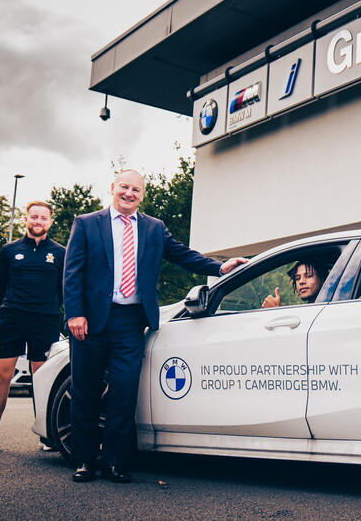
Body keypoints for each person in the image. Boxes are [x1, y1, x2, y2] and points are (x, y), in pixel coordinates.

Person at [64, 169, 246, 483]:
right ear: (113, 188)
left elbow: (183, 255)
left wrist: (218, 266)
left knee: (123, 394)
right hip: (90, 323)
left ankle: (115, 463)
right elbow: (72, 272)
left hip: (131, 324)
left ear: (142, 195)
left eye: (136, 189)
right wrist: (75, 314)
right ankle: (84, 460)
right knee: (86, 392)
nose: (129, 193)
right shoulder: (86, 223)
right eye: (124, 186)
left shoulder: (153, 228)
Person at [0, 201, 65, 453]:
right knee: (1, 377)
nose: (38, 221)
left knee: (42, 379)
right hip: (11, 319)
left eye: (44, 218)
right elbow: (0, 286)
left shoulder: (61, 253)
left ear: (50, 222)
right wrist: (13, 307)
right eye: (34, 216)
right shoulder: (8, 251)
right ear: (26, 219)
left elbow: (64, 290)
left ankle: (48, 436)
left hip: (45, 321)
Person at [262, 261, 328, 307]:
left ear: (323, 280)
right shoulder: (309, 308)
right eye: (297, 278)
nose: (301, 281)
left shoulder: (329, 307)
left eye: (308, 276)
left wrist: (276, 311)